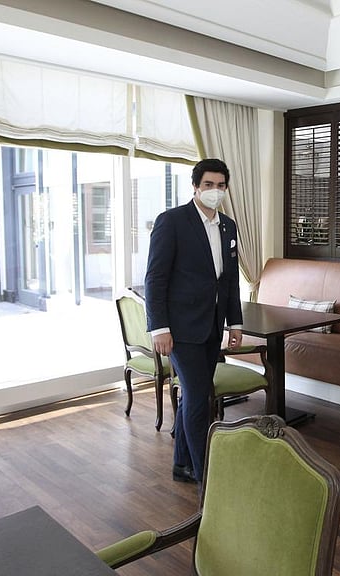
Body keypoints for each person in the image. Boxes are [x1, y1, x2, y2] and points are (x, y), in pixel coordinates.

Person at [144, 158, 243, 484]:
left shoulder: (228, 226)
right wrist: (159, 328)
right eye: (209, 185)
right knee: (200, 398)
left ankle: (182, 464)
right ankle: (206, 474)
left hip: (212, 326)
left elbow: (228, 281)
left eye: (221, 185)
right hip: (181, 329)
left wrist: (235, 323)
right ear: (196, 187)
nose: (215, 191)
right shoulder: (172, 221)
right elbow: (155, 279)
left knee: (193, 396)